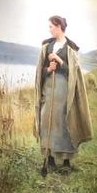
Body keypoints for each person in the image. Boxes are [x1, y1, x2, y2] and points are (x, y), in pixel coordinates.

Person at [34, 15, 92, 178]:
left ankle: (66, 161)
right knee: (47, 122)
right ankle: (50, 158)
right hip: (48, 92)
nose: (49, 29)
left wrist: (59, 60)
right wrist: (48, 69)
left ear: (59, 26)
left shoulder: (70, 48)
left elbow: (73, 72)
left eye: (51, 26)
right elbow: (40, 71)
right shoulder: (47, 46)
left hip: (65, 94)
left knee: (64, 124)